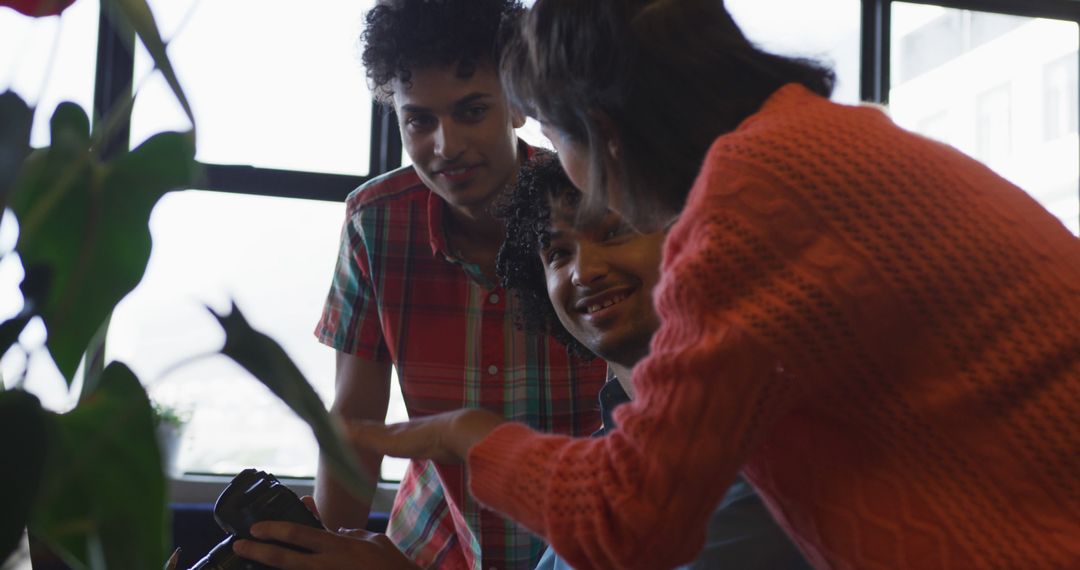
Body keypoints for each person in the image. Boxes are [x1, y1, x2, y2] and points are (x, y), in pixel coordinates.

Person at [344, 1, 1080, 569]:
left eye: (548, 134)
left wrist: (466, 436)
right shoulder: (826, 143)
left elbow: (628, 523)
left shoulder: (751, 201)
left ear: (602, 134)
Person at [300, 1, 606, 568]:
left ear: (517, 105)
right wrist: (324, 550)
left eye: (472, 110)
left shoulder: (592, 208)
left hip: (578, 548)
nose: (446, 146)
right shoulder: (376, 223)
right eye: (420, 120)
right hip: (433, 548)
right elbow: (355, 422)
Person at [497, 152, 809, 569]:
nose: (584, 272)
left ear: (691, 236)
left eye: (612, 234)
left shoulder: (768, 438)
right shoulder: (605, 458)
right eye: (558, 253)